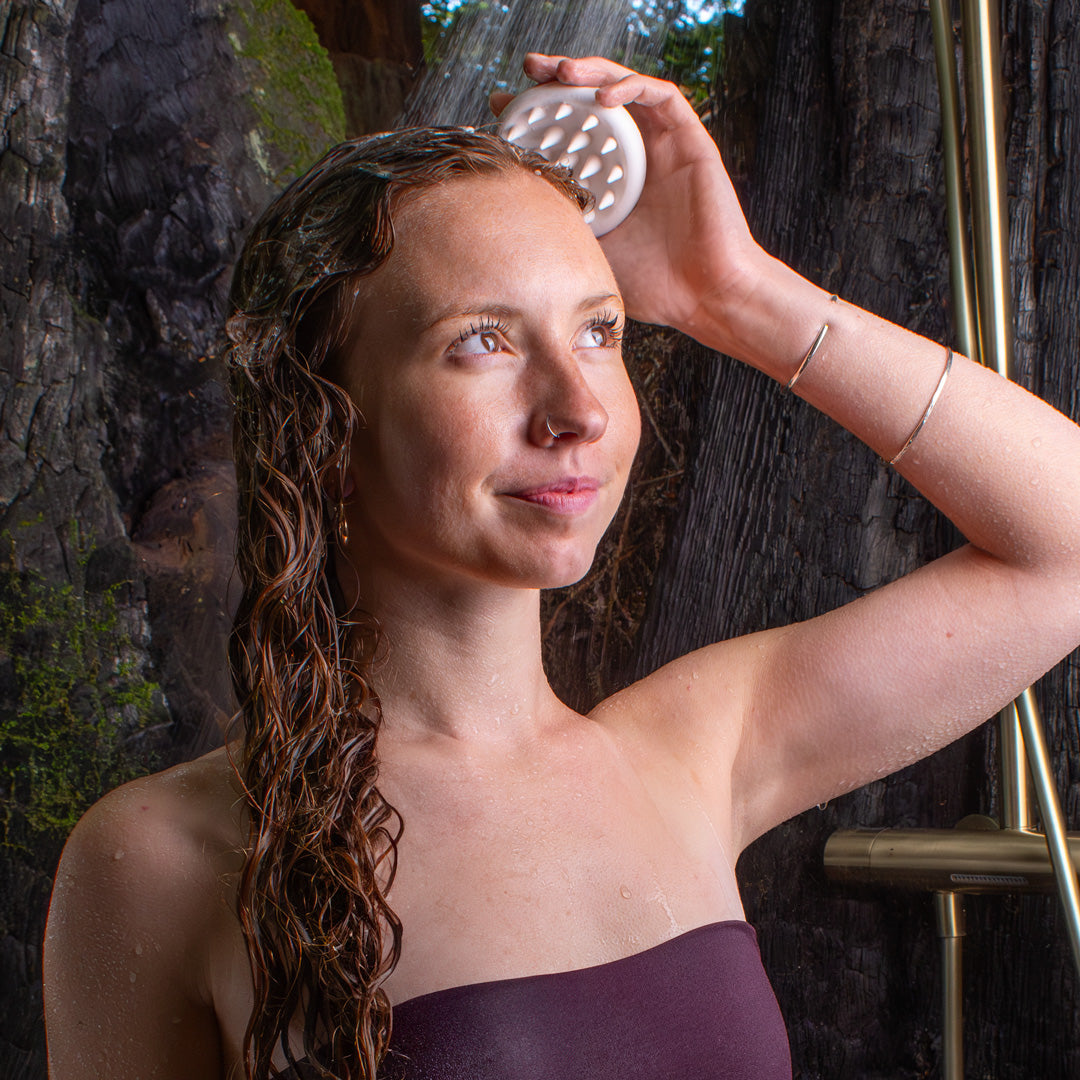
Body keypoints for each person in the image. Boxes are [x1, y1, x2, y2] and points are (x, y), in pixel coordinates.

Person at [42, 52, 1080, 1080]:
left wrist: (738, 294)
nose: (578, 410)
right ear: (325, 424)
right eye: (481, 343)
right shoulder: (163, 859)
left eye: (599, 331)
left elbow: (1063, 546)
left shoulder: (695, 753)